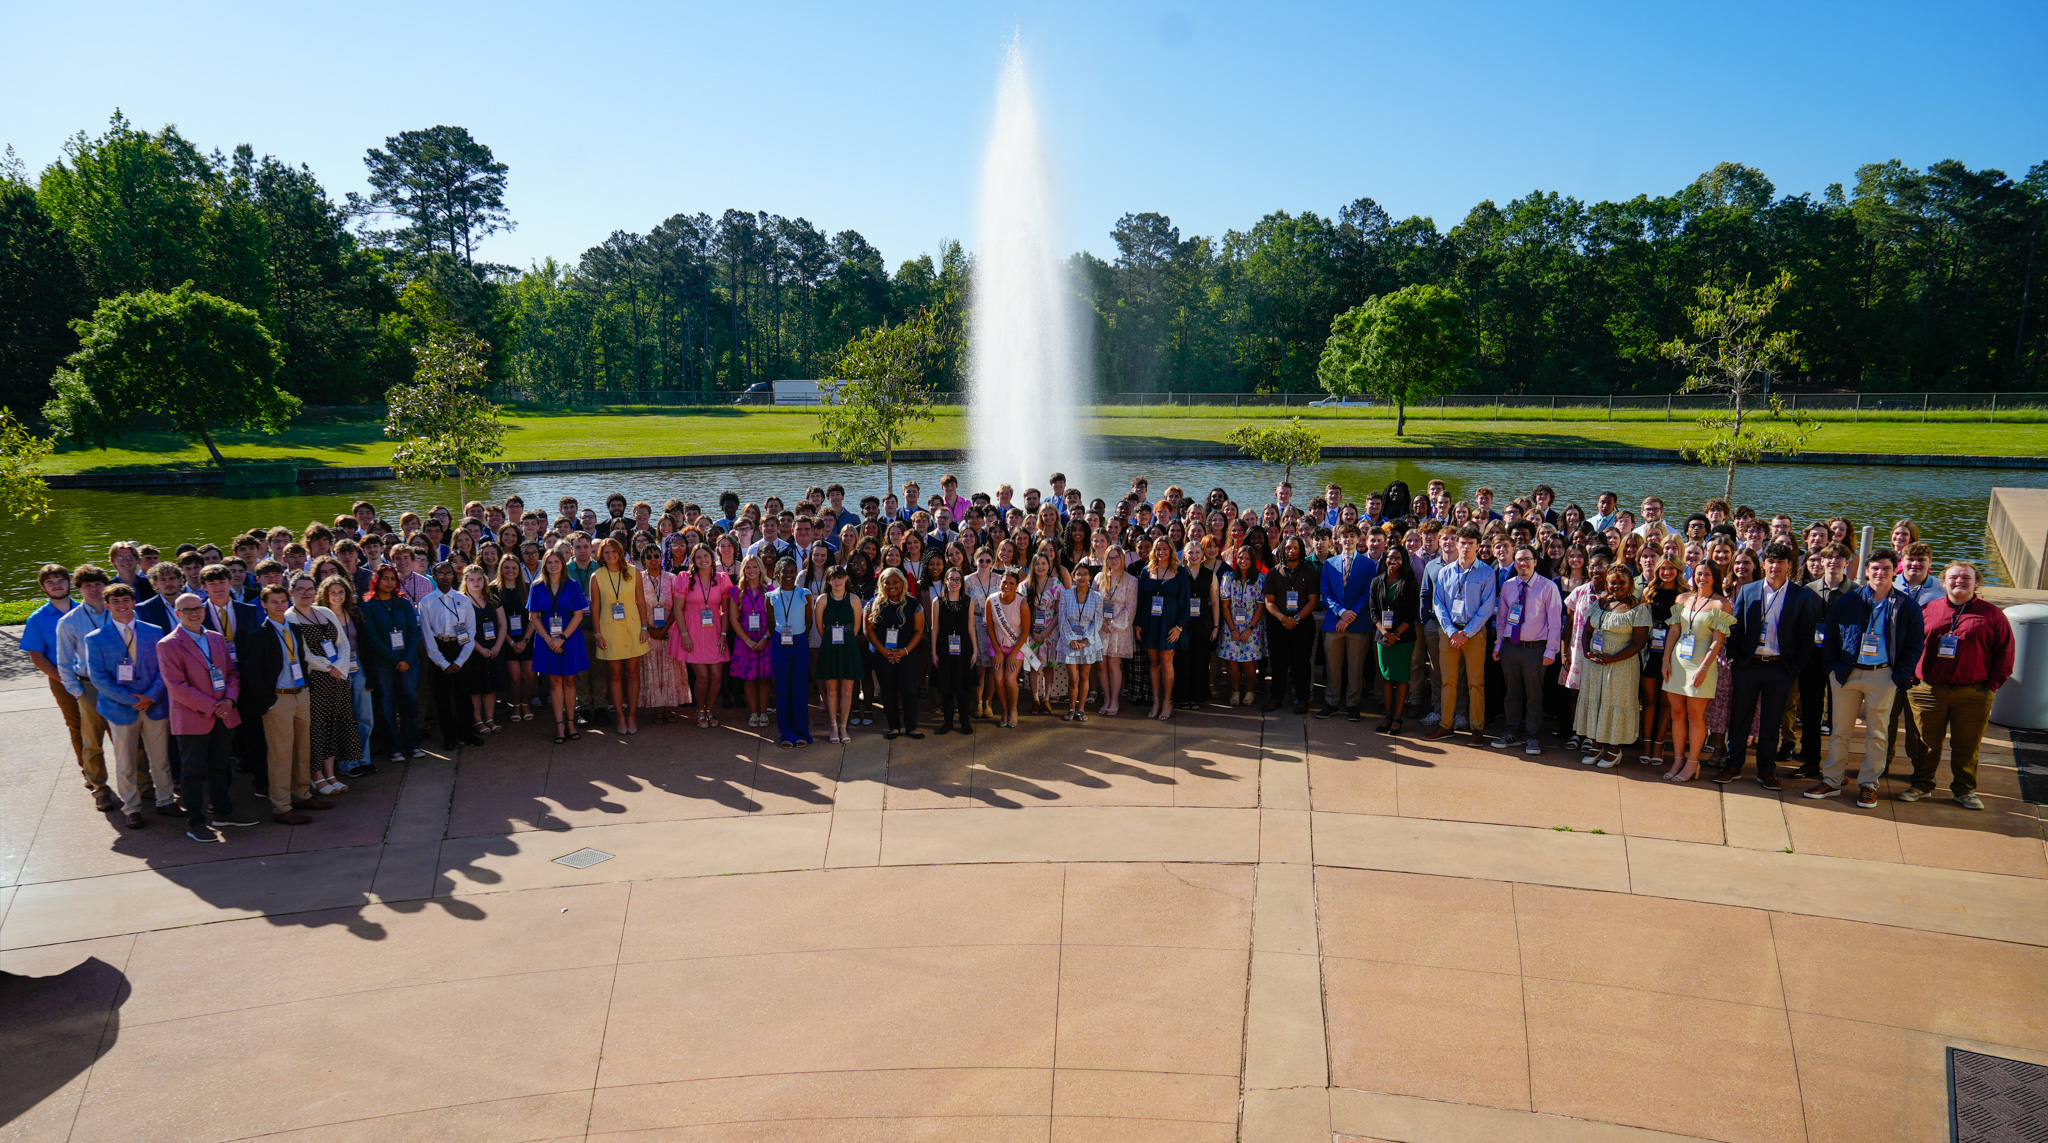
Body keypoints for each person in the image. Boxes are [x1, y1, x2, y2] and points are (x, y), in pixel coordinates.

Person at [1809, 549, 1925, 808]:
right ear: (1867, 571)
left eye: (1885, 568)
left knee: (1877, 733)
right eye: (1875, 568)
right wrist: (1831, 668)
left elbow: (1915, 645)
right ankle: (1832, 780)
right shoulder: (1849, 601)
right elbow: (1831, 638)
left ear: (1894, 571)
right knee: (1840, 731)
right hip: (1846, 674)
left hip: (1883, 675)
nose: (1879, 573)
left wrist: (1898, 676)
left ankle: (1869, 784)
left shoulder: (1906, 606)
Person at [1900, 561, 2013, 810]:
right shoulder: (1928, 609)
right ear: (1944, 582)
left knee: (1966, 745)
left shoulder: (1992, 614)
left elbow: (2004, 653)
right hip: (1928, 689)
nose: (1959, 581)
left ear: (1976, 582)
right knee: (1925, 743)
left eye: (1966, 577)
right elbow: (1909, 645)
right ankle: (1921, 784)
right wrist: (1911, 679)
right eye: (1954, 577)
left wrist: (1991, 685)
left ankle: (1964, 790)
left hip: (1973, 692)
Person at [1719, 542, 1821, 790]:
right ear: (1763, 565)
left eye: (1781, 562)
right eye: (1771, 562)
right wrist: (1734, 658)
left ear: (1789, 566)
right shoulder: (1749, 590)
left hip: (1780, 667)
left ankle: (1766, 770)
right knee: (1739, 718)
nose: (1775, 566)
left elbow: (1806, 635)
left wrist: (1794, 667)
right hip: (1748, 664)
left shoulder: (1802, 595)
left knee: (1770, 721)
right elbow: (1736, 626)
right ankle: (1733, 765)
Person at [158, 592, 258, 841]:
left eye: (197, 608)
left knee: (221, 766)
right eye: (187, 610)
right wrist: (214, 706)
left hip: (224, 713)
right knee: (191, 773)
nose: (194, 613)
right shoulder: (168, 644)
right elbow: (177, 686)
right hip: (194, 718)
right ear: (177, 614)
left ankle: (223, 812)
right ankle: (196, 822)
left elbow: (232, 673)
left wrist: (230, 700)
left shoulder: (215, 638)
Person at [22, 564, 115, 812]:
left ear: (69, 583)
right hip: (65, 679)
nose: (56, 585)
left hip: (105, 678)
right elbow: (37, 655)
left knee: (114, 724)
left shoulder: (89, 604)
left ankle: (133, 777)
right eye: (50, 582)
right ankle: (92, 777)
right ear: (43, 588)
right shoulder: (38, 619)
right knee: (79, 726)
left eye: (60, 580)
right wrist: (64, 679)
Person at [239, 584, 331, 824]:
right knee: (281, 754)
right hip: (278, 699)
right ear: (264, 605)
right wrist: (269, 701)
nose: (280, 605)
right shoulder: (258, 636)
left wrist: (307, 688)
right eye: (274, 602)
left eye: (283, 601)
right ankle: (281, 806)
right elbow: (252, 674)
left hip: (301, 694)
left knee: (303, 749)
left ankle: (301, 794)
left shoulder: (294, 629)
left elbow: (300, 660)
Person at [86, 583, 176, 827]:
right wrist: (133, 700)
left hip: (154, 705)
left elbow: (164, 668)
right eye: (115, 602)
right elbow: (99, 678)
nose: (122, 605)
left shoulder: (155, 631)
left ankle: (166, 800)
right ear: (107, 606)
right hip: (120, 708)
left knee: (160, 759)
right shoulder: (95, 639)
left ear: (134, 602)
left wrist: (151, 696)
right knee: (126, 761)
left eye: (126, 600)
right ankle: (131, 807)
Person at [285, 574, 363, 794]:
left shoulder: (325, 612)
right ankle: (317, 776)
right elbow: (304, 653)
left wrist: (340, 665)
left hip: (338, 679)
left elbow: (343, 643)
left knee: (334, 724)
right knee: (316, 728)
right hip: (315, 680)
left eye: (310, 588)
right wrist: (330, 668)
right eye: (301, 589)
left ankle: (330, 774)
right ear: (292, 592)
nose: (306, 593)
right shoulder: (290, 617)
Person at [1663, 560, 1734, 783]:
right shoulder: (1682, 599)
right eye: (1698, 574)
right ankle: (1677, 759)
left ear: (1715, 577)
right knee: (1676, 714)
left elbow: (1717, 641)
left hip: (1702, 663)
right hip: (1678, 660)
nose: (1702, 578)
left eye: (1707, 574)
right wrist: (1666, 660)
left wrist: (1704, 667)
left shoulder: (1721, 604)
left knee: (1695, 715)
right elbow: (1674, 631)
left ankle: (1692, 763)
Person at [1426, 526, 1496, 746]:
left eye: (1470, 544)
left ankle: (1477, 728)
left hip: (1473, 634)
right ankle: (1446, 725)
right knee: (1447, 681)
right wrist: (1451, 631)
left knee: (1476, 683)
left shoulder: (1486, 572)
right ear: (1456, 544)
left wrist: (1466, 632)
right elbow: (1438, 604)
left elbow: (1487, 607)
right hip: (1449, 632)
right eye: (1462, 543)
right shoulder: (1445, 572)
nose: (1466, 548)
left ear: (1478, 546)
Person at [1574, 568, 1650, 768]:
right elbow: (1587, 631)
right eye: (1612, 583)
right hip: (1596, 663)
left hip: (1621, 665)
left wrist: (1613, 658)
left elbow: (1638, 643)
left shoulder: (1638, 609)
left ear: (1630, 585)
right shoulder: (1599, 604)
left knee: (1615, 702)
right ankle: (1596, 745)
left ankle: (1614, 749)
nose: (1616, 587)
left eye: (1621, 583)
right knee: (1597, 700)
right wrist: (1587, 652)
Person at [1491, 544, 1562, 755]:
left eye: (1527, 559)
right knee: (1511, 693)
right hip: (1511, 648)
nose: (1523, 563)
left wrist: (1551, 651)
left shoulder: (1548, 587)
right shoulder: (1509, 586)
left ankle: (1532, 736)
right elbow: (1502, 619)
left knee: (1534, 695)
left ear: (1535, 562)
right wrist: (1499, 645)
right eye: (1519, 560)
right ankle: (1511, 732)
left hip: (1535, 650)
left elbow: (1555, 623)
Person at [359, 565, 424, 762]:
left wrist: (406, 658)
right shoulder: (367, 606)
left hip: (407, 662)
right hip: (384, 664)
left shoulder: (404, 604)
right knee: (386, 706)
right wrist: (395, 660)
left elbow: (414, 633)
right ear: (376, 581)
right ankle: (393, 748)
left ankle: (413, 745)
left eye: (392, 578)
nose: (389, 582)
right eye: (385, 578)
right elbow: (372, 638)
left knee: (409, 703)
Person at [528, 549, 592, 744]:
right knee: (554, 682)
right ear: (544, 565)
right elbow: (533, 617)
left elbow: (578, 615)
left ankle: (571, 723)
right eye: (549, 562)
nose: (553, 565)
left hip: (569, 638)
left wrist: (561, 638)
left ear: (563, 564)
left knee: (570, 681)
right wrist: (549, 640)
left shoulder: (571, 585)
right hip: (547, 639)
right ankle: (559, 726)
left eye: (557, 561)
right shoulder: (537, 587)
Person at [316, 575, 377, 779]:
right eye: (332, 592)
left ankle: (364, 759)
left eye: (341, 592)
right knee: (344, 718)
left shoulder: (354, 612)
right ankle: (348, 763)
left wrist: (371, 675)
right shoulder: (319, 617)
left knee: (365, 717)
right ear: (325, 595)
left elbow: (367, 646)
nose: (337, 596)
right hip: (334, 671)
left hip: (358, 666)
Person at [589, 537, 650, 736]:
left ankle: (632, 715)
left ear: (620, 552)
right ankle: (620, 717)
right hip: (609, 630)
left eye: (614, 551)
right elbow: (595, 607)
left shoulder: (633, 572)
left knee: (633, 673)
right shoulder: (597, 576)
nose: (611, 555)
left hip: (633, 627)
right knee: (615, 674)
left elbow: (641, 601)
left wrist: (644, 627)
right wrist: (597, 633)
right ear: (601, 556)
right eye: (606, 552)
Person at [420, 562, 484, 751]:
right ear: (434, 576)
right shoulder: (427, 602)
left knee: (464, 695)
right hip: (440, 649)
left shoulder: (463, 600)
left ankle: (466, 733)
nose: (445, 578)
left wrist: (460, 661)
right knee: (443, 697)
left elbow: (471, 632)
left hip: (461, 649)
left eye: (448, 574)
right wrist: (441, 662)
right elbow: (427, 635)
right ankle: (449, 736)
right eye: (440, 574)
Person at [1318, 524, 1377, 721]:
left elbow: (1368, 592)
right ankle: (1331, 702)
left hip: (1358, 624)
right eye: (1345, 536)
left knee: (1355, 667)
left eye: (1353, 536)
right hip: (1334, 623)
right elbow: (1326, 593)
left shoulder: (1368, 565)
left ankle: (1353, 703)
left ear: (1359, 538)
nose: (1349, 540)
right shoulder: (1330, 563)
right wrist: (1341, 613)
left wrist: (1351, 615)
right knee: (1333, 666)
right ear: (1338, 539)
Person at [671, 545, 733, 729]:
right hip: (692, 631)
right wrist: (684, 635)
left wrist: (723, 634)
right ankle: (700, 710)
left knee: (716, 677)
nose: (702, 559)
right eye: (698, 557)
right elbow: (677, 609)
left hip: (714, 632)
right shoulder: (685, 578)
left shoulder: (722, 579)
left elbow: (726, 610)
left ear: (712, 557)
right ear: (693, 560)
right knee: (703, 676)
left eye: (706, 555)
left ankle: (709, 709)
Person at [1263, 536, 1320, 714]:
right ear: (1282, 550)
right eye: (1288, 548)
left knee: (1301, 663)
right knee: (1278, 663)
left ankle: (1303, 699)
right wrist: (1283, 618)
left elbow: (1313, 600)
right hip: (1278, 625)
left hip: (1302, 624)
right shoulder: (1274, 573)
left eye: (1295, 548)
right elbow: (1269, 601)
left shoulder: (1310, 572)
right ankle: (1276, 698)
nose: (1291, 551)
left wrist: (1295, 618)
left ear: (1301, 550)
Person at [869, 566, 927, 738]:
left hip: (907, 655)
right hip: (882, 655)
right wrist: (884, 651)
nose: (892, 585)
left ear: (902, 583)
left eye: (896, 582)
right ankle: (894, 727)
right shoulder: (874, 603)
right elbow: (869, 630)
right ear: (881, 584)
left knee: (909, 690)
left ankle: (911, 727)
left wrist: (905, 651)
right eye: (887, 582)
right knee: (888, 691)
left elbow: (919, 630)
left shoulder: (913, 604)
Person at [1136, 539, 1191, 721]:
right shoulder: (1146, 571)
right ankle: (1156, 701)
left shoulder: (1180, 572)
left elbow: (1185, 602)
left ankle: (1168, 702)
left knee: (1167, 661)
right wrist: (1138, 624)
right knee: (1154, 663)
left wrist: (1179, 626)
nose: (1161, 552)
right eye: (1158, 549)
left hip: (1171, 623)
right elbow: (1141, 599)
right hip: (1150, 622)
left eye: (1165, 549)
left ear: (1171, 550)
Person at [1370, 544, 1421, 735]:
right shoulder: (1377, 582)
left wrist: (1395, 634)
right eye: (1390, 558)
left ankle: (1397, 718)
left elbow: (1411, 613)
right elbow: (1373, 611)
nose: (1393, 561)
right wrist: (1385, 633)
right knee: (1385, 676)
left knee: (1400, 677)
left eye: (1398, 558)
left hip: (1403, 637)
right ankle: (1388, 716)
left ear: (1404, 560)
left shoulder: (1410, 582)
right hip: (1383, 637)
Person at [635, 544, 688, 725]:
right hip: (647, 631)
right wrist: (648, 629)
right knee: (652, 670)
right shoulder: (638, 579)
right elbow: (636, 605)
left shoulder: (672, 578)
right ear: (644, 560)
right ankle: (656, 708)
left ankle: (668, 708)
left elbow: (677, 606)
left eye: (656, 555)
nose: (653, 559)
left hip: (669, 632)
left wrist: (664, 629)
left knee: (669, 670)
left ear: (661, 557)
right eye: (649, 557)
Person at [814, 565, 866, 741]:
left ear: (846, 579)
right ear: (828, 581)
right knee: (831, 691)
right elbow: (820, 627)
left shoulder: (854, 599)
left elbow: (857, 627)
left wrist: (845, 639)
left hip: (848, 647)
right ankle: (833, 727)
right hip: (829, 647)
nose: (837, 581)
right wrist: (831, 639)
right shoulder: (822, 600)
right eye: (833, 578)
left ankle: (844, 727)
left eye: (840, 577)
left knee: (847, 690)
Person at [767, 556, 813, 747]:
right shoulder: (770, 596)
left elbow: (809, 621)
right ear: (778, 573)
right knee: (783, 690)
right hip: (779, 643)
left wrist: (799, 637)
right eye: (784, 571)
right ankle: (786, 734)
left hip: (800, 642)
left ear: (796, 573)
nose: (788, 574)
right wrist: (782, 638)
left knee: (800, 690)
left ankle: (802, 732)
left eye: (792, 571)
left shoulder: (805, 593)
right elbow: (770, 624)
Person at [1216, 545, 1268, 706]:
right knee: (1231, 662)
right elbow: (1224, 606)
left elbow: (1260, 607)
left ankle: (1250, 691)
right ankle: (1235, 691)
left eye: (1247, 558)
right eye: (1240, 558)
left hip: (1252, 627)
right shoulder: (1228, 577)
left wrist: (1249, 629)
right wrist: (1232, 629)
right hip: (1231, 626)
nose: (1243, 561)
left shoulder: (1260, 580)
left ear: (1252, 561)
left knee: (1248, 662)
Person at [1056, 561, 1106, 721]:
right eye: (1079, 574)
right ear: (1073, 576)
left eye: (1085, 574)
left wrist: (1085, 641)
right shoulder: (1066, 594)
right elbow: (1062, 619)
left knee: (1085, 677)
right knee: (1073, 678)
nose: (1082, 577)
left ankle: (1081, 709)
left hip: (1088, 641)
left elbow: (1098, 620)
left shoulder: (1097, 597)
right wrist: (1071, 640)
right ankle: (1071, 708)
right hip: (1069, 640)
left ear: (1090, 576)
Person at [729, 555, 775, 728]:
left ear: (761, 569)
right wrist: (747, 641)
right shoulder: (736, 591)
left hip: (765, 640)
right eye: (748, 567)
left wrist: (765, 638)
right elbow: (733, 619)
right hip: (745, 641)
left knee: (764, 679)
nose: (752, 571)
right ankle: (753, 713)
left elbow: (775, 618)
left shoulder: (769, 590)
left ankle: (764, 713)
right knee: (749, 679)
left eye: (755, 567)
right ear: (743, 570)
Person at [1173, 540, 1217, 709]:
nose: (1194, 556)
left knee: (1201, 659)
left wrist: (1216, 626)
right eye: (1190, 552)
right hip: (1183, 621)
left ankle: (1198, 696)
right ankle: (1182, 697)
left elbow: (1215, 601)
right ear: (1184, 554)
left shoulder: (1209, 574)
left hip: (1204, 621)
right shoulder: (1178, 573)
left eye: (1197, 552)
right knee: (1182, 659)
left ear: (1202, 553)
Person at [985, 566, 1030, 728]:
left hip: (1016, 647)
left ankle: (1013, 710)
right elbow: (989, 627)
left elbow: (1026, 631)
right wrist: (997, 651)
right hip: (996, 646)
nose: (1007, 586)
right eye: (1005, 582)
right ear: (1000, 583)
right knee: (998, 679)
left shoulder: (1022, 603)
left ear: (1017, 586)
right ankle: (1004, 710)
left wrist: (1013, 654)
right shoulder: (991, 600)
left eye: (1011, 583)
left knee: (1010, 679)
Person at [1095, 547, 1134, 717]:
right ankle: (1107, 698)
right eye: (1110, 558)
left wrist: (1114, 624)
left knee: (1113, 666)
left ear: (1122, 558)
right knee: (1101, 665)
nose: (1113, 560)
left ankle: (1115, 700)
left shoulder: (1131, 581)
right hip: (1101, 627)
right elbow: (1093, 602)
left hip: (1120, 629)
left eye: (1116, 557)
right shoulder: (1099, 578)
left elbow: (1131, 607)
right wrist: (1101, 622)